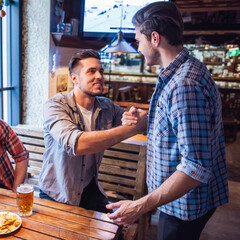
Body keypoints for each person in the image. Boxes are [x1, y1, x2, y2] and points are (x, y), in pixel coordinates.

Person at [106, 2, 229, 240]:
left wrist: (140, 205)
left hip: (183, 206)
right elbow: (180, 126)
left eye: (138, 40)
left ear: (154, 38)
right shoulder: (182, 71)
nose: (137, 47)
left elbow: (195, 167)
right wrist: (148, 120)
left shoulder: (185, 84)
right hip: (177, 200)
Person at [39, 49, 148, 213]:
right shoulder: (55, 106)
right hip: (57, 194)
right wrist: (129, 130)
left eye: (101, 71)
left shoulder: (106, 106)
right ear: (74, 78)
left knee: (117, 229)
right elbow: (76, 145)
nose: (99, 76)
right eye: (91, 71)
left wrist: (139, 117)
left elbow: (139, 123)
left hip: (89, 188)